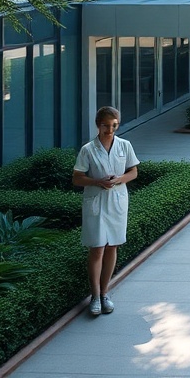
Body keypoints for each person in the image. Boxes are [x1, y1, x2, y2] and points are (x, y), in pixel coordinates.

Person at [72, 106, 139, 316]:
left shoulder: (124, 145)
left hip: (118, 201)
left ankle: (105, 293)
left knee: (112, 247)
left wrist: (119, 179)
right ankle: (94, 296)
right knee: (97, 248)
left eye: (114, 126)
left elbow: (133, 172)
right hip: (96, 201)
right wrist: (97, 181)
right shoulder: (88, 150)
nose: (110, 130)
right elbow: (76, 178)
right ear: (97, 124)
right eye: (106, 126)